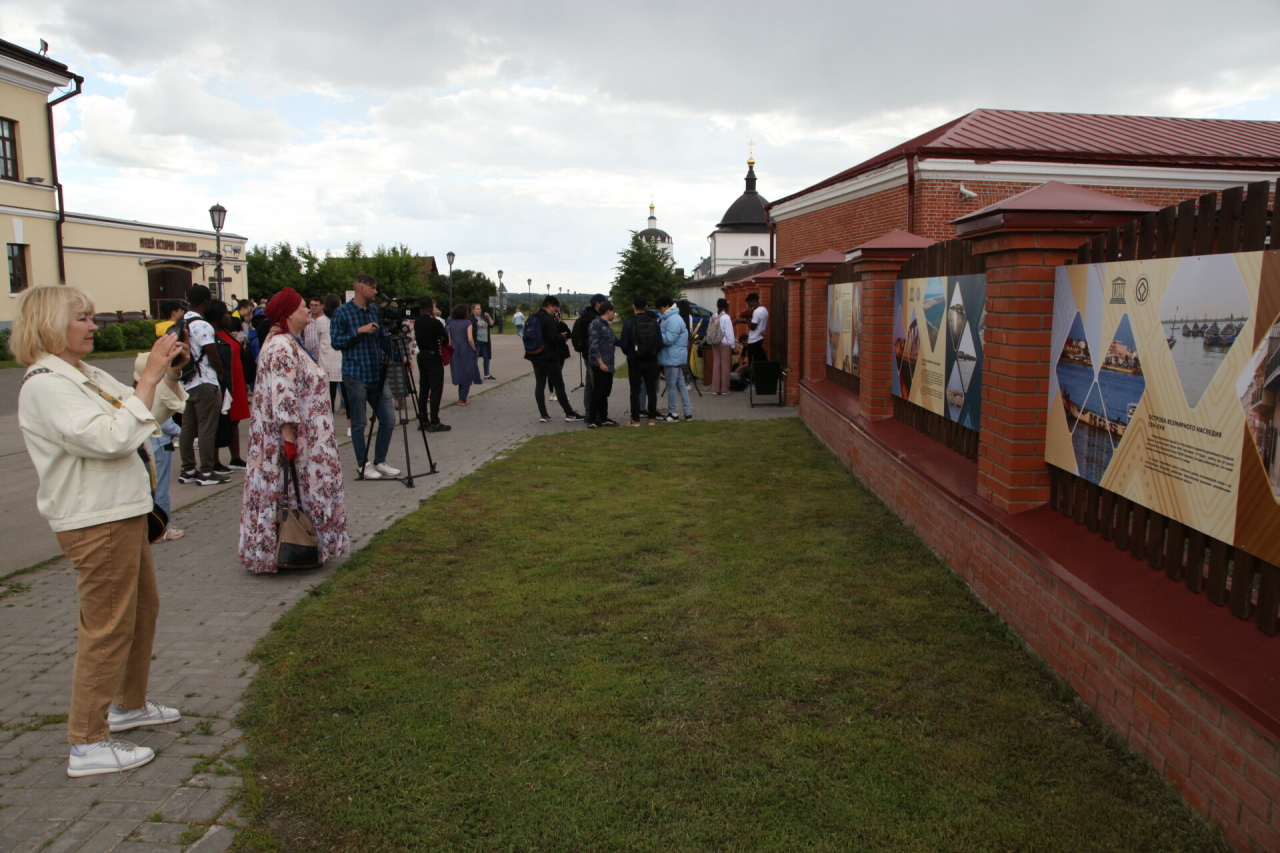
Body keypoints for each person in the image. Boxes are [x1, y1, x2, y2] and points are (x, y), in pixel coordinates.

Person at [14, 285, 189, 777]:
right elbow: (110, 439)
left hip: (121, 511)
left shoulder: (82, 374)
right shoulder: (46, 383)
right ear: (49, 324)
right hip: (96, 519)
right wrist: (148, 376)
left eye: (91, 317)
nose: (93, 326)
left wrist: (164, 378)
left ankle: (127, 706)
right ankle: (86, 743)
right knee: (108, 626)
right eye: (82, 318)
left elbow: (139, 422)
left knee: (140, 612)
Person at [239, 287, 350, 574]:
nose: (308, 311)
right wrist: (288, 440)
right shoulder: (281, 347)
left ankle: (307, 545)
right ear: (288, 314)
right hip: (298, 439)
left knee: (295, 493)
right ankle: (289, 547)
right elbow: (283, 394)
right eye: (302, 307)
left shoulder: (290, 341)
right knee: (289, 492)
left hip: (308, 436)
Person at [331, 273, 400, 480]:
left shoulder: (374, 312)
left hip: (376, 373)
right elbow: (336, 342)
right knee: (359, 423)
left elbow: (383, 340)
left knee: (388, 419)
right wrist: (358, 331)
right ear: (362, 288)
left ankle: (380, 461)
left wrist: (400, 356)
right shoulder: (342, 312)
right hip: (355, 373)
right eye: (373, 288)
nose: (376, 292)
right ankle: (363, 464)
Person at [177, 285, 229, 486]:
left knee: (188, 428)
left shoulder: (182, 323)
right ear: (206, 301)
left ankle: (188, 468)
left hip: (187, 381)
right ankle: (207, 471)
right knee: (207, 428)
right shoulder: (202, 325)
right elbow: (212, 353)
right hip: (205, 381)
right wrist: (221, 373)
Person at [524, 295, 583, 423]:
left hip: (535, 355)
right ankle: (569, 413)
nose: (555, 311)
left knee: (540, 384)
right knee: (559, 385)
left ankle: (543, 414)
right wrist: (561, 337)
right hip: (549, 356)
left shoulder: (532, 317)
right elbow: (553, 338)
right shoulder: (548, 319)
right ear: (550, 306)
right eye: (555, 308)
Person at [208, 300, 250, 469]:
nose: (229, 317)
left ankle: (235, 457)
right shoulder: (212, 337)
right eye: (226, 314)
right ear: (218, 317)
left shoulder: (226, 333)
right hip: (226, 383)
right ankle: (215, 460)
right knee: (220, 421)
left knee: (235, 420)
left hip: (237, 381)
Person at [620, 297, 661, 425]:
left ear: (633, 306)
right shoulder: (654, 322)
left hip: (635, 360)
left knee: (635, 390)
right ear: (646, 307)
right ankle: (652, 418)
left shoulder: (629, 323)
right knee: (651, 389)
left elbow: (624, 345)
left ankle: (635, 419)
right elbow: (659, 342)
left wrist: (631, 353)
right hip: (651, 360)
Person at [414, 296, 451, 432]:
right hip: (433, 356)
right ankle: (435, 420)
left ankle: (423, 419)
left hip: (422, 354)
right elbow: (445, 339)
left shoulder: (417, 322)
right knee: (436, 389)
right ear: (431, 307)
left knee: (424, 387)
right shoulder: (435, 323)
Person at [656, 295, 692, 422]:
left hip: (671, 358)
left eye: (660, 309)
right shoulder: (674, 318)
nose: (659, 312)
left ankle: (673, 413)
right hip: (676, 357)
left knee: (671, 387)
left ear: (666, 306)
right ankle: (688, 413)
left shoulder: (672, 320)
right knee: (681, 386)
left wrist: (657, 333)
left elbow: (669, 340)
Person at [571, 294, 607, 424]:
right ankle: (594, 413)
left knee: (589, 384)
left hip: (586, 354)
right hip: (592, 356)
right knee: (595, 383)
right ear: (597, 303)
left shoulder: (585, 315)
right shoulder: (593, 318)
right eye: (604, 303)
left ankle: (588, 411)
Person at [587, 300, 619, 428]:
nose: (614, 314)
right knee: (598, 392)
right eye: (613, 311)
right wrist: (600, 362)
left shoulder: (606, 325)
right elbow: (593, 345)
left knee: (605, 392)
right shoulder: (596, 324)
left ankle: (604, 417)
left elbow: (615, 340)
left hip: (609, 365)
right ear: (608, 311)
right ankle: (592, 419)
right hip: (600, 365)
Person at [448, 303, 482, 404]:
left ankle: (461, 396)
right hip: (465, 348)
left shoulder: (451, 324)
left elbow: (450, 340)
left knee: (458, 370)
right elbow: (470, 339)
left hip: (454, 348)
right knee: (467, 372)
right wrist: (474, 349)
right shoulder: (468, 323)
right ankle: (463, 398)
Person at [319, 294, 345, 416]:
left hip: (326, 362)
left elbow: (317, 340)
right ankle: (350, 425)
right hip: (341, 360)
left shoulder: (320, 321)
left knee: (329, 397)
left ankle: (329, 424)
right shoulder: (343, 318)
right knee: (346, 395)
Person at [709, 298, 737, 395]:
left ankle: (715, 388)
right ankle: (724, 389)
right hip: (724, 343)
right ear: (726, 306)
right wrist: (733, 345)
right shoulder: (726, 317)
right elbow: (729, 333)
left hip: (715, 342)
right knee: (725, 366)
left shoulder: (713, 316)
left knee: (716, 365)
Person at [742, 292, 769, 364]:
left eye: (749, 303)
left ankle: (754, 374)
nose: (749, 306)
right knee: (761, 359)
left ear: (753, 301)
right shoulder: (764, 309)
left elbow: (752, 327)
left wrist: (747, 317)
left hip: (754, 339)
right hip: (760, 337)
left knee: (753, 361)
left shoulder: (756, 312)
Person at [472, 303, 497, 380]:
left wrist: (488, 316)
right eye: (477, 309)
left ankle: (487, 375)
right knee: (475, 359)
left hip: (485, 342)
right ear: (473, 310)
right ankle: (474, 375)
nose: (479, 310)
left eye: (480, 308)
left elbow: (492, 324)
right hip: (477, 341)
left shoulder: (483, 317)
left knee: (486, 358)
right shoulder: (471, 318)